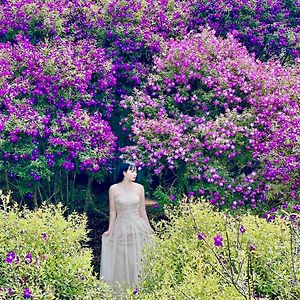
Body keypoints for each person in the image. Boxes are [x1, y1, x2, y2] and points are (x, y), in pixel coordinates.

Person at [100, 161, 154, 295]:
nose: (135, 174)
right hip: (121, 228)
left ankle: (140, 291)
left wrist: (149, 228)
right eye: (132, 171)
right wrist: (110, 230)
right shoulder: (113, 189)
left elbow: (142, 211)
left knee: (137, 260)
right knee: (121, 262)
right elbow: (113, 212)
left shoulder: (139, 188)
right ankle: (122, 292)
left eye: (136, 171)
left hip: (137, 228)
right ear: (124, 172)